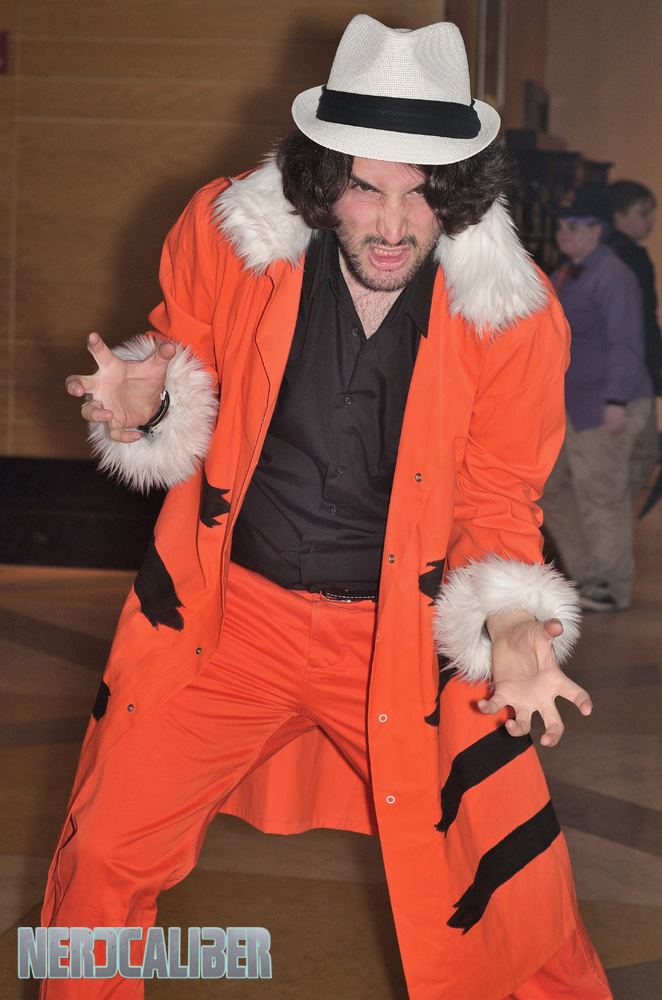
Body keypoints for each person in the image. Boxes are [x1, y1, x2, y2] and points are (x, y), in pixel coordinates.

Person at [41, 16, 612, 1000]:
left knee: (513, 900)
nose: (391, 224)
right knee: (100, 852)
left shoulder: (511, 316)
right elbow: (184, 370)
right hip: (231, 624)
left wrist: (515, 618)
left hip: (401, 637)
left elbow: (495, 493)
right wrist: (152, 407)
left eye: (419, 192)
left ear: (456, 190)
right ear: (319, 178)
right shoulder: (229, 240)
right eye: (364, 187)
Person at [542, 187, 654, 612]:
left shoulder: (612, 275)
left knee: (600, 496)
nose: (562, 233)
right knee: (550, 489)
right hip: (571, 404)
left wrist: (616, 402)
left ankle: (610, 583)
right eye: (560, 226)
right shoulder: (569, 271)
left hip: (604, 404)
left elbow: (628, 341)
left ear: (597, 231)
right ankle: (586, 574)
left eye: (573, 226)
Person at [607, 179, 662, 491]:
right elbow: (642, 320)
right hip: (628, 370)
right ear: (619, 215)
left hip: (613, 369)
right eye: (643, 213)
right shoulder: (631, 258)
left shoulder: (598, 253)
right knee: (642, 451)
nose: (651, 221)